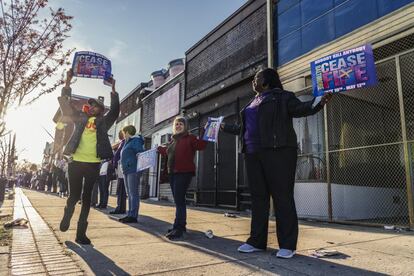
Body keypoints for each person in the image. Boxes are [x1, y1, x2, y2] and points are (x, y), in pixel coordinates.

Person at [221, 68, 332, 258]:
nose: (253, 81)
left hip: (278, 152)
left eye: (257, 78)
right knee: (258, 198)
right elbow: (244, 128)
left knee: (282, 197)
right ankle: (256, 241)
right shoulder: (252, 102)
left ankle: (287, 245)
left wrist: (318, 101)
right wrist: (226, 127)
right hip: (252, 154)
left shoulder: (283, 97)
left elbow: (301, 109)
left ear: (266, 81)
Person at [59, 68, 119, 245]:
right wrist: (67, 83)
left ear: (100, 111)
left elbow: (114, 111)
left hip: (93, 164)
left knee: (87, 199)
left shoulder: (103, 122)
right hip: (76, 162)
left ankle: (80, 233)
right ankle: (67, 215)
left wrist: (113, 89)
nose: (92, 107)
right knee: (73, 196)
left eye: (96, 106)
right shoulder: (80, 118)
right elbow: (65, 105)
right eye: (91, 105)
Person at [157, 116, 207, 240]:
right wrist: (159, 149)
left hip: (184, 172)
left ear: (185, 126)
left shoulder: (190, 138)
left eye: (181, 124)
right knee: (178, 200)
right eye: (176, 124)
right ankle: (179, 225)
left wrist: (205, 131)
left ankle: (178, 228)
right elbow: (168, 153)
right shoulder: (173, 140)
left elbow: (201, 145)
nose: (178, 126)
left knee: (179, 200)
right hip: (172, 173)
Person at [119, 125, 144, 223]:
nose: (123, 135)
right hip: (126, 170)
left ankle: (133, 216)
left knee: (133, 193)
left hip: (133, 170)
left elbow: (141, 153)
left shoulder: (135, 141)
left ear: (127, 132)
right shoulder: (127, 142)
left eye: (124, 133)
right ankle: (129, 214)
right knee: (129, 193)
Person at [110, 130, 127, 215]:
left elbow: (119, 155)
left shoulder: (124, 142)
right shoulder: (122, 143)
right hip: (119, 169)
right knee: (120, 189)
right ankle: (120, 207)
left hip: (121, 169)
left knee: (121, 189)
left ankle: (120, 208)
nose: (119, 136)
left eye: (120, 134)